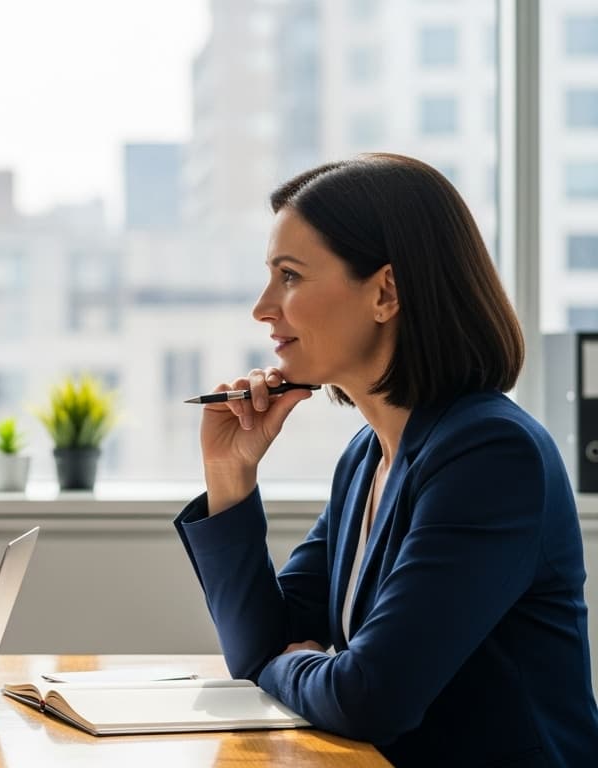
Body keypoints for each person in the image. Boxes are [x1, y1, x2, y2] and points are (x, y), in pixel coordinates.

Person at [174, 153, 598, 766]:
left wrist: (290, 663)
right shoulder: (369, 454)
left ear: (386, 292)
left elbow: (369, 697)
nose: (264, 307)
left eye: (289, 276)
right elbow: (256, 651)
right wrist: (229, 474)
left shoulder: (491, 456)